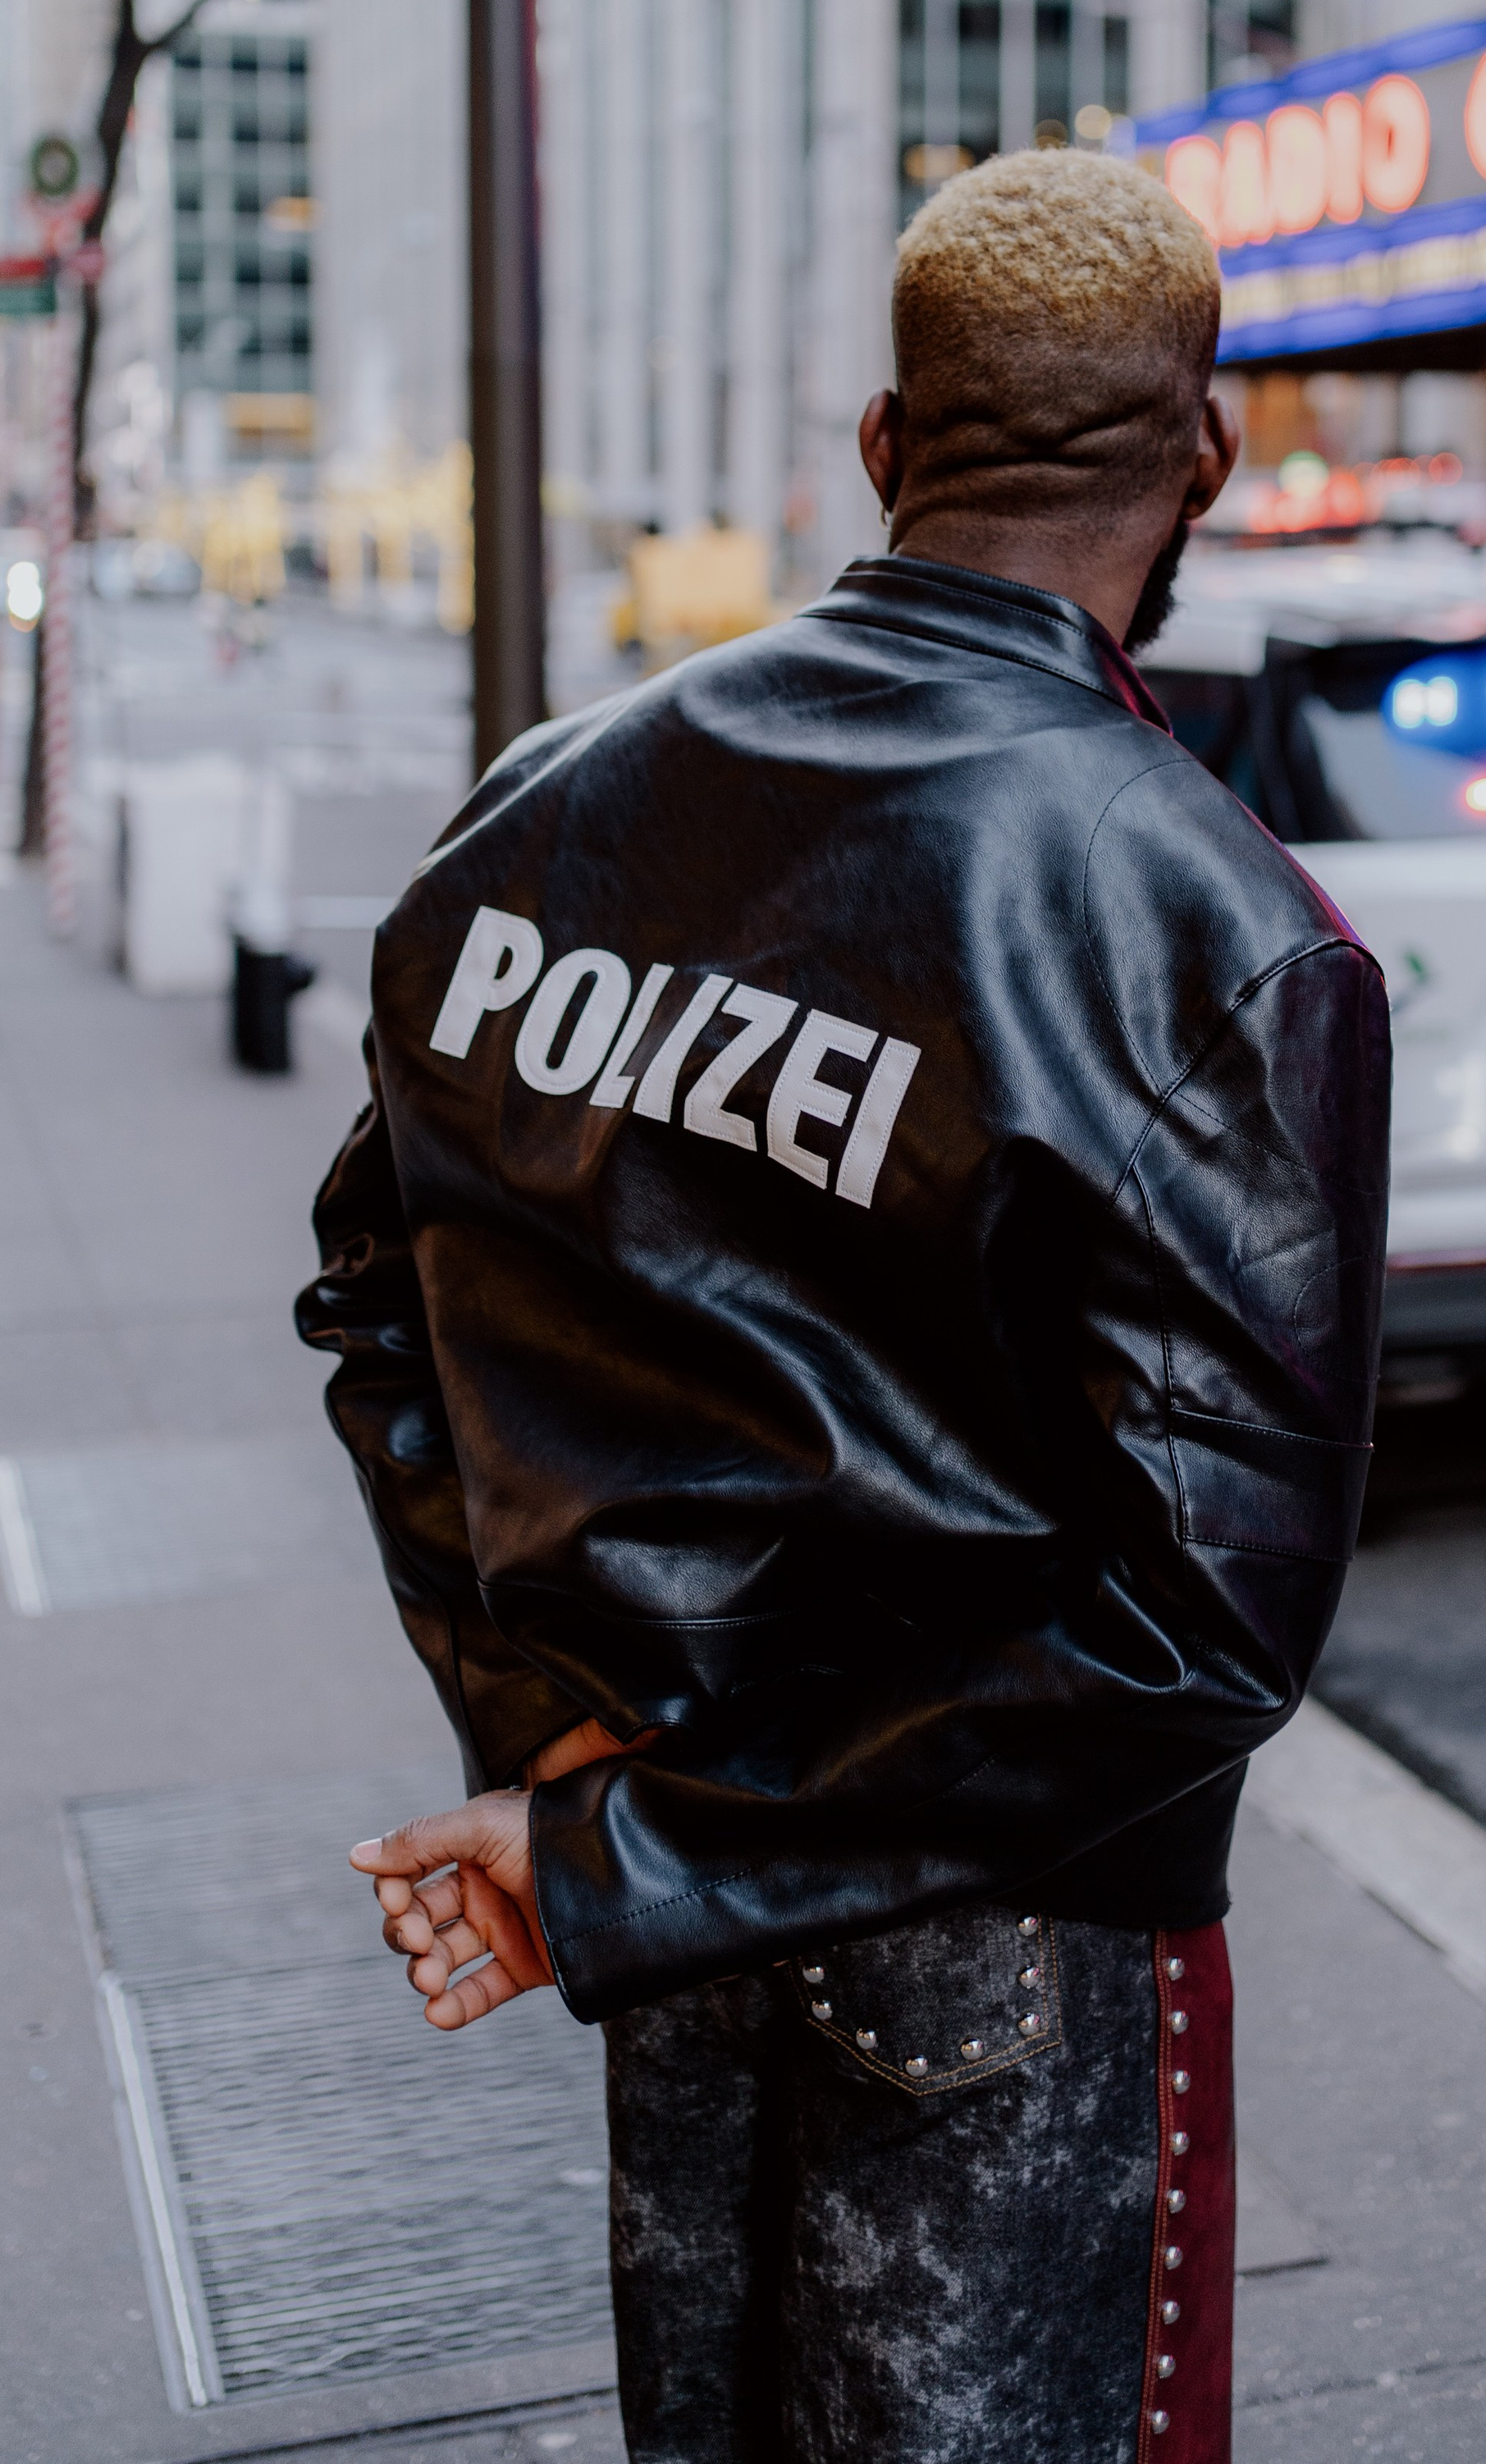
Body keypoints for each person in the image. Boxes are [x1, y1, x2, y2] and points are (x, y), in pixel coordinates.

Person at [296, 148, 1392, 2464]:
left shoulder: (541, 809)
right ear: (1210, 445)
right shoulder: (1220, 927)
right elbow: (1205, 1634)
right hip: (998, 1947)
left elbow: (376, 1310)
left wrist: (574, 1767)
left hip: (643, 1845)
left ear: (885, 448)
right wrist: (615, 1846)